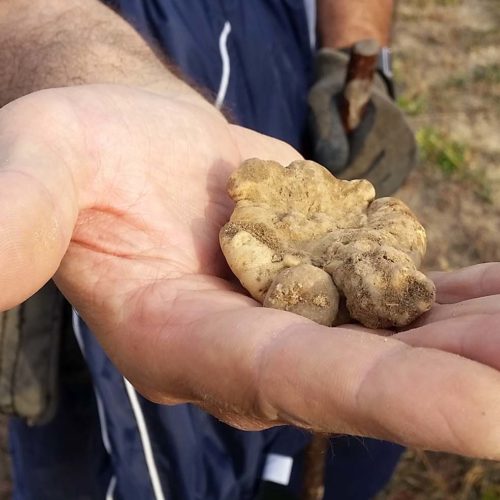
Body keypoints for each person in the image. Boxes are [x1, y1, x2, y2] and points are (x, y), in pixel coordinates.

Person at [1, 1, 500, 499]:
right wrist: (77, 65)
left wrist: (350, 59)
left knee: (339, 424)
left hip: (284, 73)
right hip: (141, 198)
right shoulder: (250, 227)